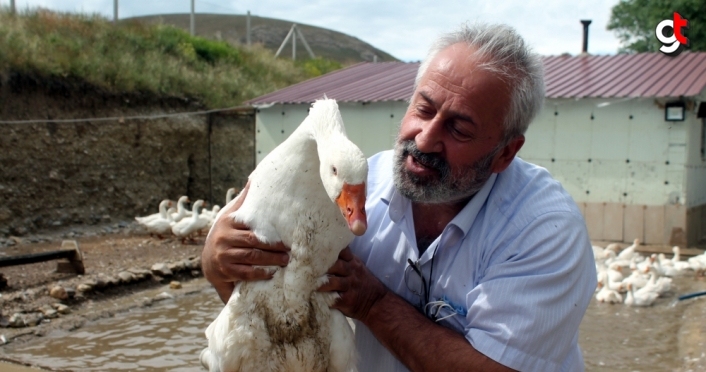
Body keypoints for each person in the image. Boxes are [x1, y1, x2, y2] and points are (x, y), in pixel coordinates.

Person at [202, 22, 597, 372]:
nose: (425, 139)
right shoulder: (357, 190)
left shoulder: (543, 228)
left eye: (458, 129)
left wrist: (373, 303)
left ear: (506, 153)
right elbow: (274, 319)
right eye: (423, 109)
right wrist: (219, 263)